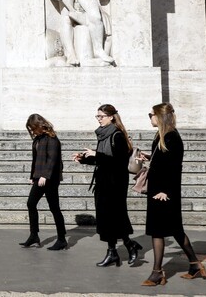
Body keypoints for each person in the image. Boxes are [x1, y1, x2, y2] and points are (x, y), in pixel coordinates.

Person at [138, 103, 206, 286]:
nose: (149, 118)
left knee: (157, 231)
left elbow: (174, 168)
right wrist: (148, 156)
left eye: (151, 114)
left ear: (160, 116)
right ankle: (194, 264)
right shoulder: (162, 136)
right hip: (159, 190)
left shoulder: (172, 137)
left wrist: (165, 191)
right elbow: (163, 161)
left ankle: (157, 273)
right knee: (175, 229)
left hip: (164, 192)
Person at [73, 104, 141, 266]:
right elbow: (102, 160)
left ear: (111, 117)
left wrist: (96, 154)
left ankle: (126, 245)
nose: (99, 119)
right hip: (103, 181)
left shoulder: (117, 135)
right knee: (106, 219)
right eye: (97, 116)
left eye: (101, 116)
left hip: (115, 183)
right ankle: (114, 252)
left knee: (115, 217)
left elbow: (118, 162)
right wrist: (84, 159)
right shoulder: (103, 135)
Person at [20, 114, 67, 250]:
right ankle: (34, 236)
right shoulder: (38, 139)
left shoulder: (52, 139)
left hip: (50, 179)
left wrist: (45, 176)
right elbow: (36, 160)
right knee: (31, 204)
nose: (32, 131)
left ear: (39, 125)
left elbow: (52, 159)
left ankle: (62, 239)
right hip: (39, 177)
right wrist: (32, 176)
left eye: (33, 128)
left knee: (54, 208)